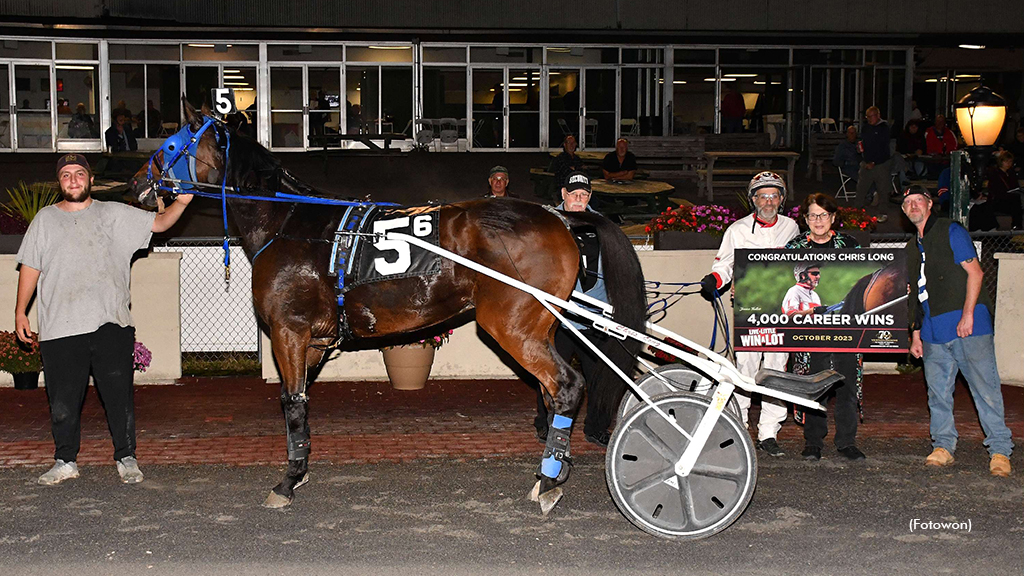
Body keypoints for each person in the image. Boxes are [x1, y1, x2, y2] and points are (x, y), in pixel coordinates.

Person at [15, 154, 194, 486]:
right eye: (66, 175)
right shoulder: (44, 220)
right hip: (60, 326)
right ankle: (65, 460)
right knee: (63, 401)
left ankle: (126, 457)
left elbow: (160, 223)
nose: (73, 179)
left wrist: (181, 202)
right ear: (60, 182)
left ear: (90, 180)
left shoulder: (113, 214)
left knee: (118, 396)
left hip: (110, 323)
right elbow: (30, 267)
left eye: (79, 173)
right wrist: (20, 311)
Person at [902, 185, 1012, 478]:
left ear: (929, 204)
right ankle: (944, 446)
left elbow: (975, 273)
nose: (913, 206)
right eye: (908, 202)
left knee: (985, 389)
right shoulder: (912, 247)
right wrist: (915, 333)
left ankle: (1000, 450)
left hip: (968, 325)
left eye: (918, 201)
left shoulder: (951, 230)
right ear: (904, 210)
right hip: (932, 330)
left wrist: (967, 316)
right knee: (938, 393)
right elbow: (914, 294)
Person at [700, 171, 799, 457]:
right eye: (762, 196)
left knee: (776, 369)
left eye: (774, 195)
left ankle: (769, 431)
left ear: (781, 200)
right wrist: (714, 280)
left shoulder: (792, 228)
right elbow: (725, 266)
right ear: (753, 199)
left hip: (781, 310)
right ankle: (741, 426)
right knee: (746, 368)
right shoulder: (737, 230)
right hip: (749, 309)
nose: (768, 201)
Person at [534, 170, 614, 446]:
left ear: (589, 196)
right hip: (560, 317)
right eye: (574, 194)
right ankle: (547, 424)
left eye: (584, 195)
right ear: (563, 195)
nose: (579, 199)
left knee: (600, 377)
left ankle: (596, 428)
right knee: (551, 373)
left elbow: (614, 268)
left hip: (594, 315)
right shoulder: (548, 223)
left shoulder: (601, 224)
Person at [784, 193, 866, 462]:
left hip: (845, 331)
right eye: (812, 215)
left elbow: (864, 282)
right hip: (809, 336)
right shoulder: (793, 248)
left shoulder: (850, 245)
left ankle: (846, 441)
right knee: (813, 386)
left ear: (832, 218)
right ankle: (813, 442)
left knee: (846, 385)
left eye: (823, 215)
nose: (818, 220)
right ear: (805, 219)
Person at [854, 106, 892, 221]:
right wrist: (860, 149)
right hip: (866, 163)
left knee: (882, 189)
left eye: (871, 116)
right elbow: (864, 142)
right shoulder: (866, 128)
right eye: (867, 117)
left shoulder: (884, 129)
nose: (869, 119)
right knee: (861, 188)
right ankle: (856, 212)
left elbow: (883, 148)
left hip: (880, 164)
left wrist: (874, 162)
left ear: (878, 115)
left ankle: (883, 212)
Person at [983, 151, 1022, 229]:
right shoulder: (995, 174)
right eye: (1006, 161)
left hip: (1010, 198)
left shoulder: (1011, 173)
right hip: (999, 200)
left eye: (1010, 162)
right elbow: (995, 190)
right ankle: (1016, 226)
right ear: (1001, 162)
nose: (1008, 164)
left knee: (1016, 202)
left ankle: (1017, 226)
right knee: (1016, 204)